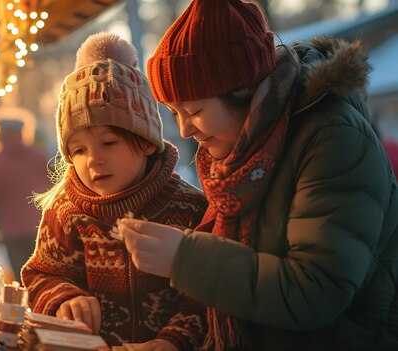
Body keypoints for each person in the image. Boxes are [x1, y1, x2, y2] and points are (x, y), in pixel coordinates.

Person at [118, 0, 398, 350]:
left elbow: (316, 290)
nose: (185, 129)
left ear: (243, 91)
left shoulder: (333, 137)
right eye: (174, 113)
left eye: (196, 110)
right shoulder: (240, 151)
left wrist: (186, 258)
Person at [21, 32, 208, 350]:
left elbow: (204, 296)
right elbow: (42, 274)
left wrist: (173, 341)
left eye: (108, 143)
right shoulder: (65, 211)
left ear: (147, 141)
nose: (93, 159)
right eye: (78, 150)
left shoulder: (189, 208)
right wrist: (64, 297)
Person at [0, 118, 50, 277]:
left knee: (21, 275)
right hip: (39, 224)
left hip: (11, 228)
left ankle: (25, 302)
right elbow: (49, 183)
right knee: (41, 273)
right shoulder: (37, 155)